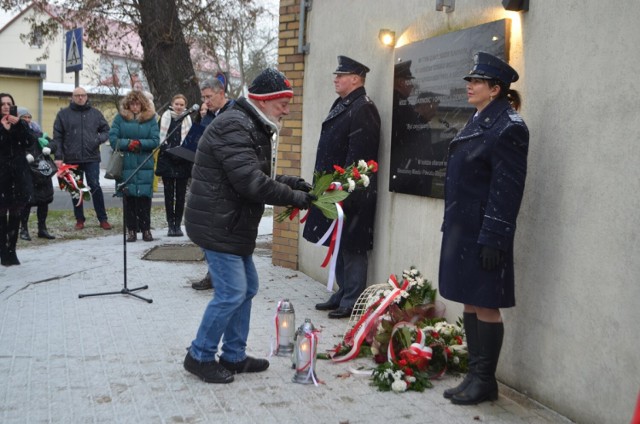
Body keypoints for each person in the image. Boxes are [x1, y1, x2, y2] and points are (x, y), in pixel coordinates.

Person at [183, 68, 315, 384]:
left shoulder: (252, 125)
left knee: (247, 288)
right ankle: (199, 356)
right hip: (218, 224)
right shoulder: (234, 125)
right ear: (264, 100)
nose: (286, 109)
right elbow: (251, 183)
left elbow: (255, 175)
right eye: (282, 102)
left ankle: (233, 355)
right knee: (231, 293)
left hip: (233, 223)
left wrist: (294, 184)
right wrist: (296, 198)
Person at [438, 52, 529, 405]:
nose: (469, 86)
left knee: (487, 303)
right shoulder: (480, 119)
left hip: (484, 232)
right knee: (471, 301)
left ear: (495, 89)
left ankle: (485, 380)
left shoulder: (509, 126)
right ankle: (475, 375)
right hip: (464, 229)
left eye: (476, 82)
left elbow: (507, 189)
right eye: (469, 80)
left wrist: (494, 237)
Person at [303, 55, 381, 319]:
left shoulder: (363, 108)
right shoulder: (344, 103)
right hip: (334, 188)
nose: (335, 78)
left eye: (342, 75)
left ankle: (353, 299)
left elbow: (361, 157)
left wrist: (344, 188)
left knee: (352, 243)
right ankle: (342, 290)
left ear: (356, 79)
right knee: (338, 243)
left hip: (352, 191)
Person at [191, 77, 234, 291]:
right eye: (204, 98)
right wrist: (202, 119)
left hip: (224, 183)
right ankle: (213, 274)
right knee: (208, 231)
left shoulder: (232, 113)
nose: (206, 101)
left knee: (220, 233)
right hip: (207, 180)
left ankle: (222, 276)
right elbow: (200, 144)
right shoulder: (210, 114)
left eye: (209, 97)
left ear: (221, 92)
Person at [53, 87, 112, 230]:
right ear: (72, 97)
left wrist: (98, 139)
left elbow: (106, 130)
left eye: (83, 95)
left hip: (91, 157)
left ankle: (102, 219)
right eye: (77, 95)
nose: (80, 98)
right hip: (71, 157)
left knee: (95, 187)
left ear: (87, 97)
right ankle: (79, 219)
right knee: (75, 189)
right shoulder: (63, 114)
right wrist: (58, 156)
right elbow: (57, 137)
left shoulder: (95, 114)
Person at [109, 90, 160, 242]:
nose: (135, 106)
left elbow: (155, 140)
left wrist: (140, 144)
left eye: (138, 103)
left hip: (145, 163)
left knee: (145, 198)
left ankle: (146, 230)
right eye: (132, 103)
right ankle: (131, 230)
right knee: (129, 198)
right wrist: (128, 144)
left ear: (143, 104)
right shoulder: (120, 118)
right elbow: (113, 139)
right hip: (126, 163)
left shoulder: (151, 119)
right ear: (128, 104)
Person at [0, 93, 34, 266]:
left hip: (18, 175)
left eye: (9, 104)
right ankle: (3, 251)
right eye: (3, 104)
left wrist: (19, 124)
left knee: (15, 214)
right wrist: (3, 130)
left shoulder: (19, 124)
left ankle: (12, 250)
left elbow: (30, 141)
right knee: (1, 215)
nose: (6, 107)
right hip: (2, 176)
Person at [155, 94, 193, 237]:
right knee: (169, 195)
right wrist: (171, 152)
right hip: (167, 160)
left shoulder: (188, 119)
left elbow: (190, 140)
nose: (179, 107)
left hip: (183, 161)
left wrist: (180, 154)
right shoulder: (165, 118)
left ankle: (178, 224)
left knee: (181, 195)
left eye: (181, 105)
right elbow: (160, 139)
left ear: (185, 106)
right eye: (176, 104)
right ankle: (170, 225)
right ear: (172, 104)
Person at [18, 108, 56, 241]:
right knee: (27, 202)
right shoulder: (13, 134)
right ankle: (23, 230)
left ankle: (42, 229)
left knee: (44, 201)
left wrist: (49, 148)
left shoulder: (38, 132)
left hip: (42, 171)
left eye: (29, 117)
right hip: (26, 172)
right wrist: (24, 155)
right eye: (24, 117)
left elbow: (53, 142)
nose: (27, 120)